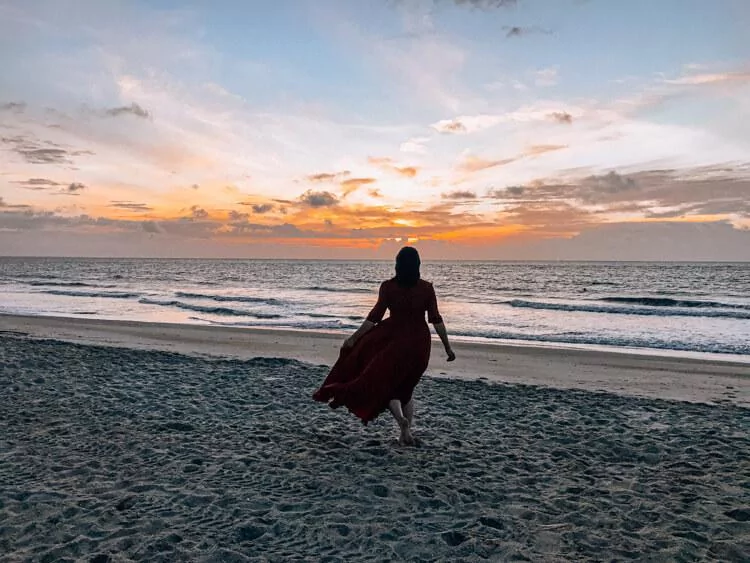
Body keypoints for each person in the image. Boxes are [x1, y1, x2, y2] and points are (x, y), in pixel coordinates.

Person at [312, 246, 455, 445]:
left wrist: (354, 339)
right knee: (407, 389)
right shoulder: (426, 288)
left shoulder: (388, 287)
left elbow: (374, 318)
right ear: (417, 265)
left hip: (394, 342)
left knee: (388, 386)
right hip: (419, 345)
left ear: (397, 265)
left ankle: (401, 422)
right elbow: (436, 320)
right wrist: (448, 347)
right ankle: (406, 432)